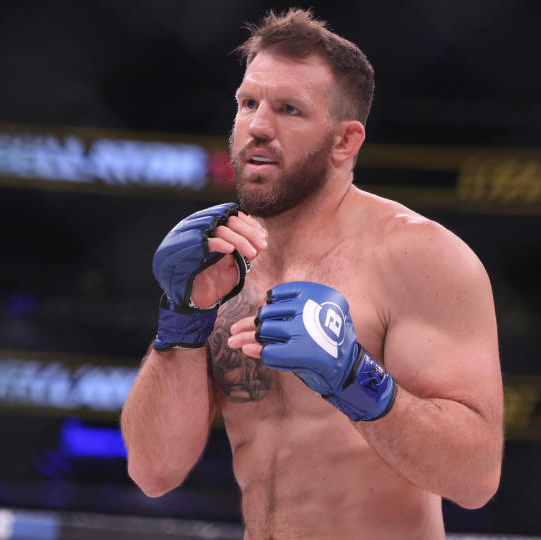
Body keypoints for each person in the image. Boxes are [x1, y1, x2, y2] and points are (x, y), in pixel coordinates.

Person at [120, 8, 503, 539]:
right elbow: (153, 471)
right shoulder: (223, 260)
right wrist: (179, 318)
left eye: (289, 110)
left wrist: (352, 378)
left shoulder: (419, 256)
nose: (257, 126)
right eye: (248, 103)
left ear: (345, 142)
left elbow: (475, 478)